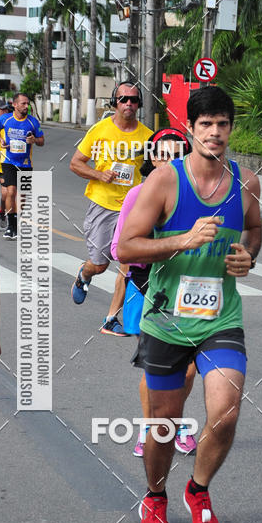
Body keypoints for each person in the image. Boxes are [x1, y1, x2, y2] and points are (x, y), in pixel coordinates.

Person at [118, 86, 262, 523]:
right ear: (191, 129)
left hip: (221, 319)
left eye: (222, 124)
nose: (215, 133)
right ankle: (155, 495)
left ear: (230, 128)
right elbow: (125, 246)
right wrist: (181, 240)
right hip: (166, 321)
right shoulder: (164, 181)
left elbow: (255, 229)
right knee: (164, 423)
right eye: (206, 124)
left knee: (225, 414)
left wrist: (248, 256)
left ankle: (198, 491)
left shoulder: (246, 182)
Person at [111, 128, 197, 457]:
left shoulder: (196, 195)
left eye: (176, 155)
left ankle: (171, 422)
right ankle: (151, 427)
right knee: (155, 366)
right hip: (147, 285)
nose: (167, 160)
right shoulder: (138, 195)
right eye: (161, 154)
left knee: (187, 368)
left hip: (190, 290)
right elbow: (120, 249)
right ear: (151, 157)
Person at [69, 81, 153, 336]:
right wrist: (98, 174)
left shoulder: (148, 136)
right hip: (103, 204)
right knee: (100, 264)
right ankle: (84, 275)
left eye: (134, 100)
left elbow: (158, 168)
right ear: (115, 102)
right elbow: (75, 163)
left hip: (134, 208)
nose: (129, 103)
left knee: (127, 263)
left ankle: (111, 318)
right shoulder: (100, 130)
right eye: (124, 99)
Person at [0, 92, 44, 240]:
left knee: (22, 198)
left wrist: (34, 140)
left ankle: (15, 222)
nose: (26, 106)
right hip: (9, 161)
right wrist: (1, 140)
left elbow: (42, 141)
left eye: (27, 103)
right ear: (15, 105)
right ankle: (11, 226)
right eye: (23, 103)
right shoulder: (5, 119)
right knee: (11, 191)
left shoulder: (33, 122)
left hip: (26, 163)